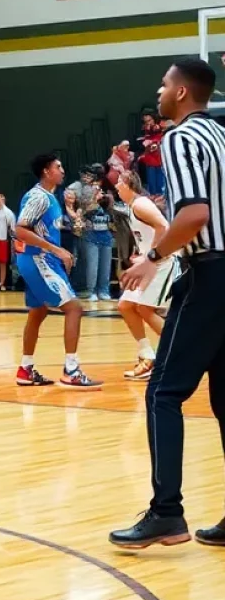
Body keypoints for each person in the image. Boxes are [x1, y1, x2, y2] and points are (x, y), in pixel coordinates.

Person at [111, 58, 225, 549]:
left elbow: (195, 214)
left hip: (210, 275)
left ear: (181, 93)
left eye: (163, 85)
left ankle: (166, 513)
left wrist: (152, 257)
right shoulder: (221, 136)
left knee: (163, 393)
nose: (158, 92)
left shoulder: (179, 138)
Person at [13, 153, 102, 391]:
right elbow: (20, 230)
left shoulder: (51, 197)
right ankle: (71, 370)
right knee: (74, 308)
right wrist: (57, 250)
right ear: (46, 171)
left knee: (37, 313)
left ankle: (25, 369)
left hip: (37, 260)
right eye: (58, 167)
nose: (63, 171)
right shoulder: (38, 197)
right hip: (39, 260)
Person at [112, 170, 173, 381]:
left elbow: (164, 226)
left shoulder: (141, 204)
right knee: (126, 306)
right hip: (149, 262)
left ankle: (178, 353)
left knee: (145, 309)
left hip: (163, 262)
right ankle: (147, 357)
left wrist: (150, 255)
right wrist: (141, 254)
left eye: (120, 182)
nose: (117, 186)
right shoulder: (131, 207)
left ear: (129, 184)